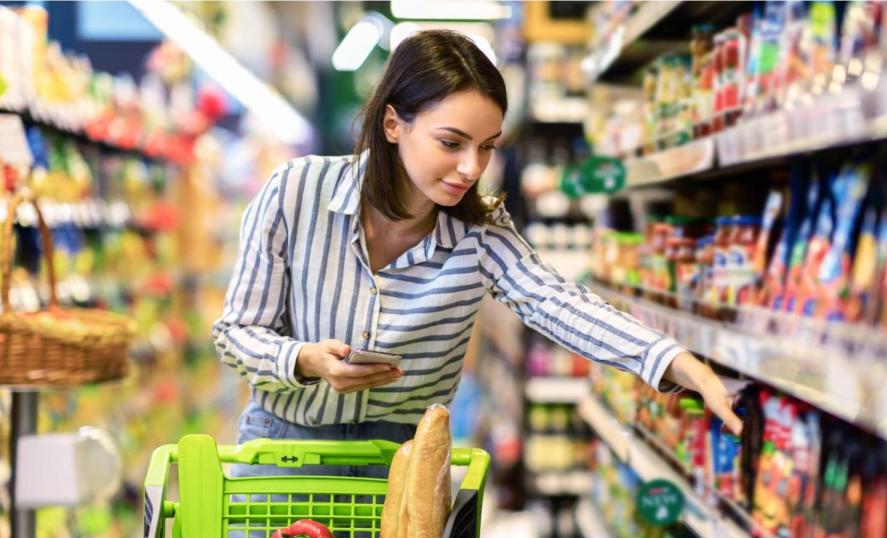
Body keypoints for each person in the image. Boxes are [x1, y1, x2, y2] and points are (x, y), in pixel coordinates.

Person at [213, 30, 742, 481]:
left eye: (487, 146)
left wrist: (675, 362)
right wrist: (303, 360)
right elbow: (236, 331)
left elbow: (558, 303)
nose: (472, 167)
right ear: (394, 124)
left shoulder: (481, 230)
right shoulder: (297, 191)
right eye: (451, 142)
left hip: (406, 467)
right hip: (284, 453)